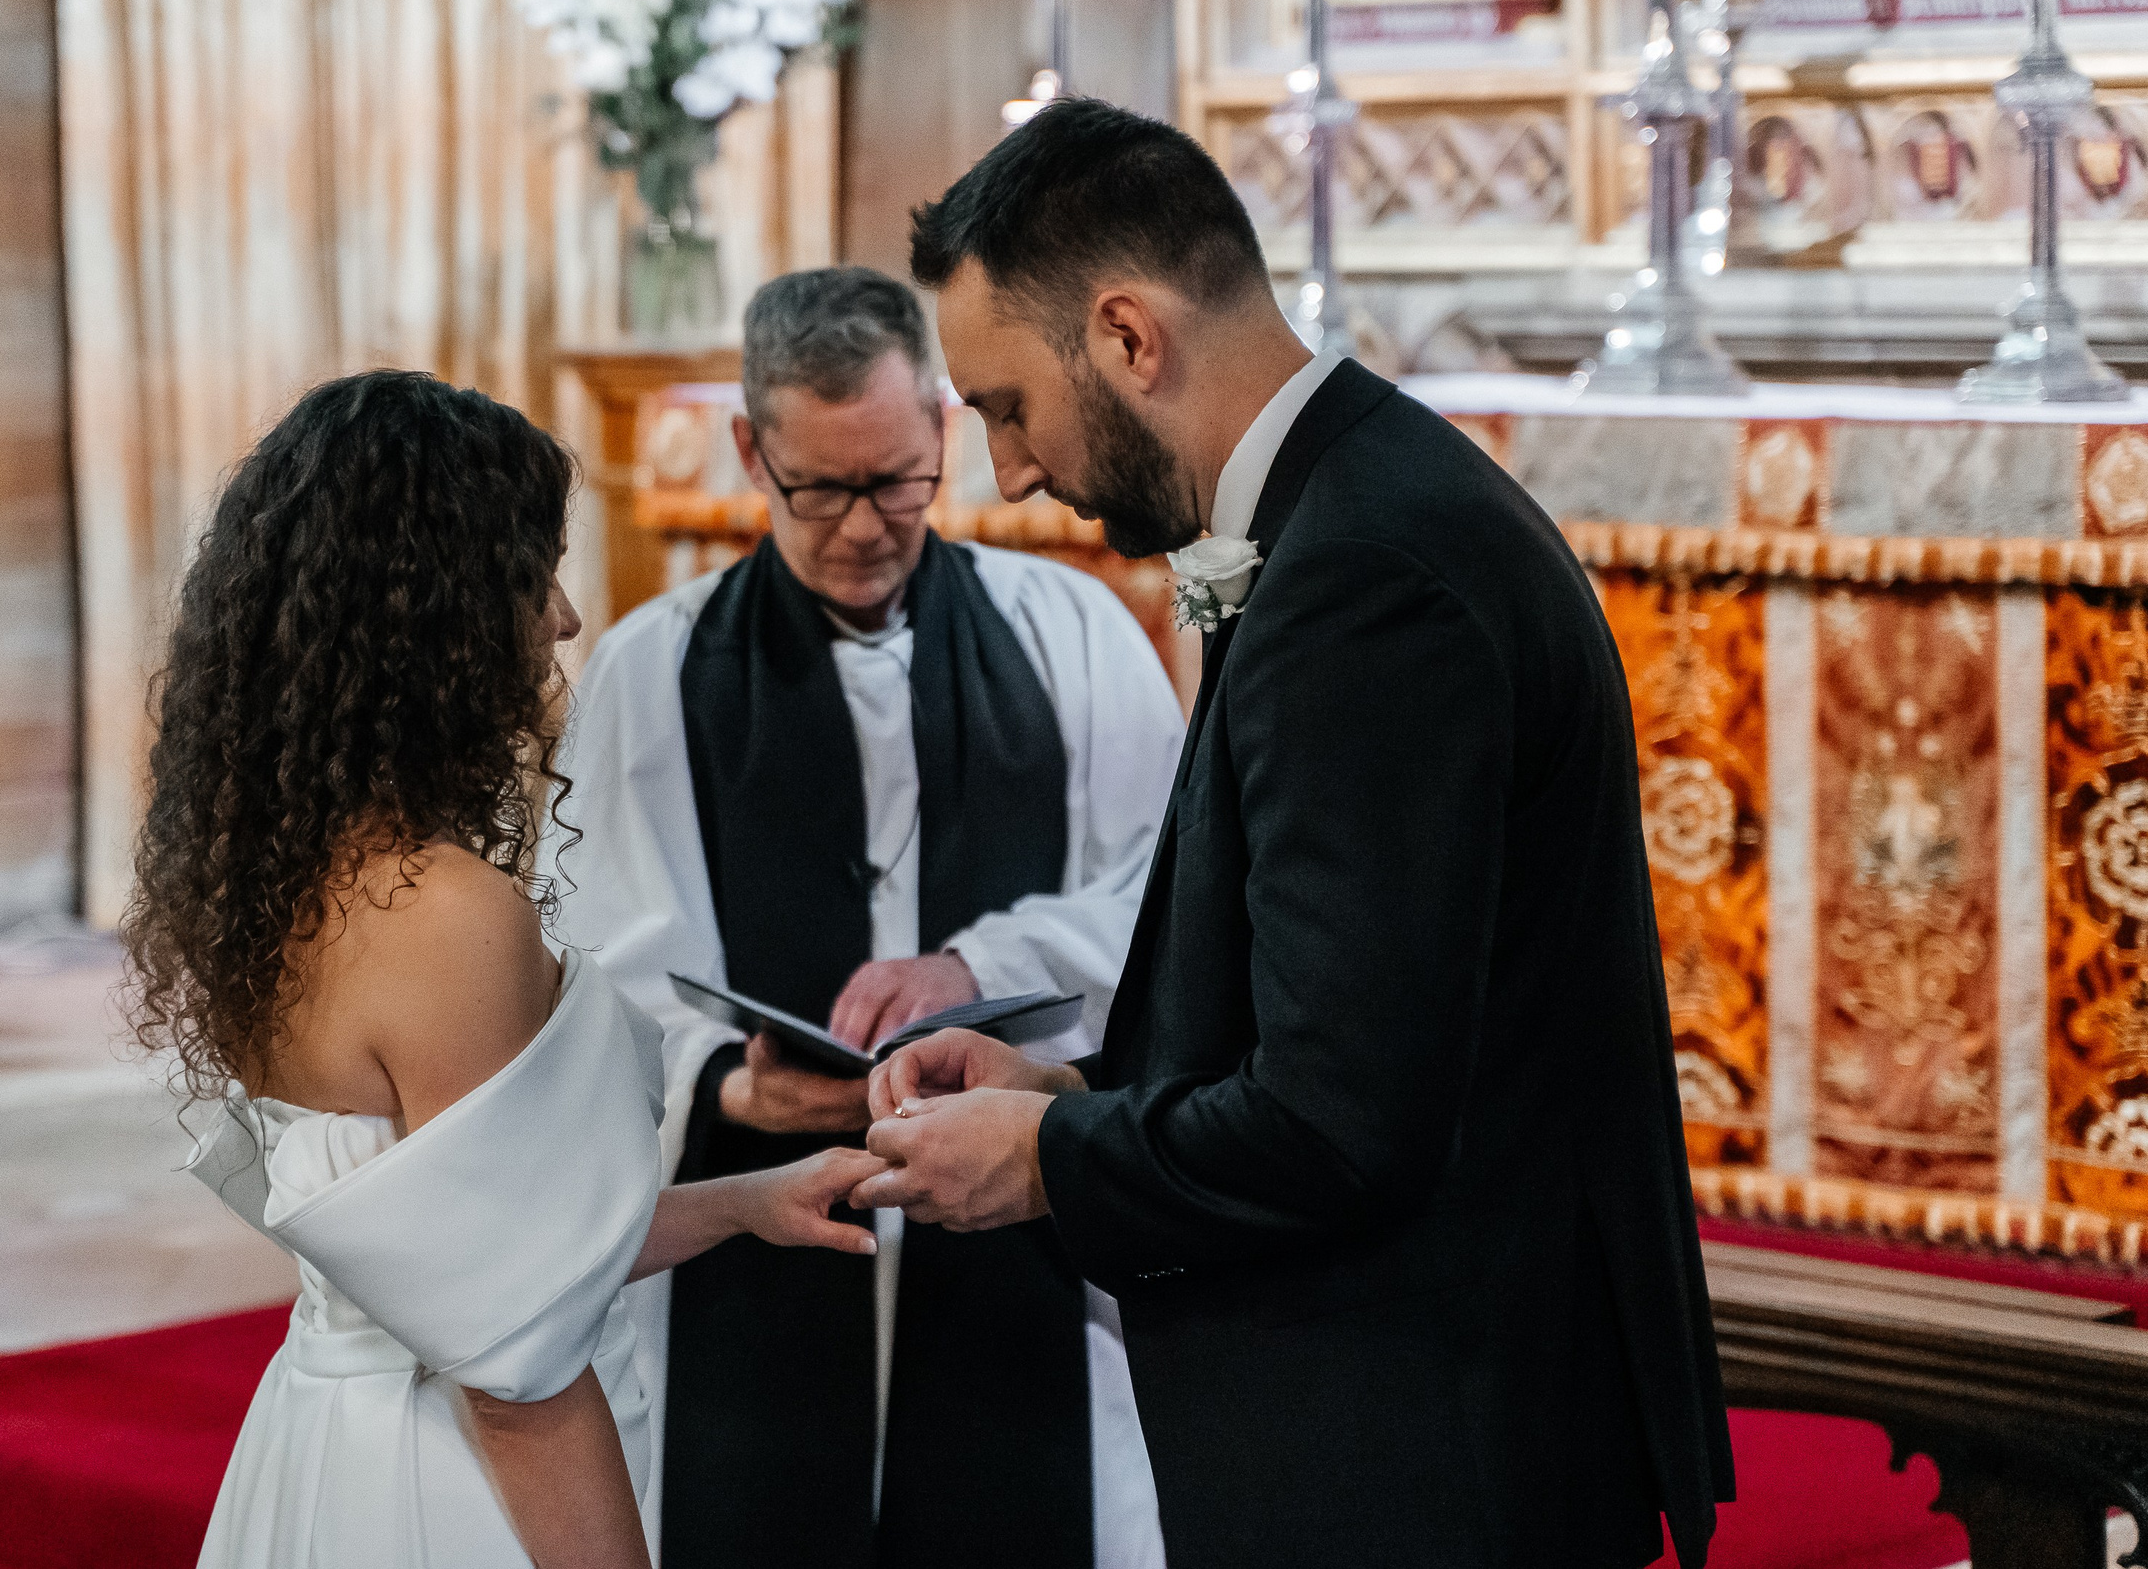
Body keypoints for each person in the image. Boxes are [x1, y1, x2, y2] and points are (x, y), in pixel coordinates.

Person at [853, 97, 1734, 1568]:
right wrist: (1063, 1085)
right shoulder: (1368, 502)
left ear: (1130, 336)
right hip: (1431, 1415)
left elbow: (1343, 1122)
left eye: (1008, 404)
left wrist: (1047, 1164)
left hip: (1415, 1455)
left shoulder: (1362, 580)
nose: (1007, 471)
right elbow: (1347, 1014)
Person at [123, 371, 885, 1569]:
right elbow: (518, 1379)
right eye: (533, 576)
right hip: (450, 1492)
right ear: (437, 612)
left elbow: (469, 1243)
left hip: (326, 1444)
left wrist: (742, 1203)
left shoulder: (274, 877)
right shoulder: (442, 912)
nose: (566, 618)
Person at [557, 266, 1180, 1569]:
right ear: (750, 450)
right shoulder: (650, 672)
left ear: (944, 433)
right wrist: (727, 1086)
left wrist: (981, 965)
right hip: (756, 1245)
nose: (862, 527)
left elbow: (1166, 906)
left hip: (1020, 1236)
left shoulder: (1073, 636)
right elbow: (592, 968)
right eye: (820, 488)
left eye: (897, 479)